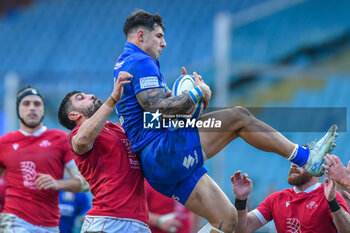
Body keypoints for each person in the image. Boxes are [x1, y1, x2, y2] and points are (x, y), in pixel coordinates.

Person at [113, 9, 338, 233]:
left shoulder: (127, 63)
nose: (164, 43)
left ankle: (307, 158)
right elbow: (157, 109)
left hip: (158, 162)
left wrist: (198, 100)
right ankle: (307, 158)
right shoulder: (141, 61)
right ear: (141, 36)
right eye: (159, 36)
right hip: (163, 151)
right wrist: (195, 93)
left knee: (226, 218)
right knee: (239, 117)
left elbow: (155, 118)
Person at [57, 72, 150, 233]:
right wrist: (113, 99)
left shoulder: (119, 129)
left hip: (139, 222)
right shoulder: (76, 135)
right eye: (81, 98)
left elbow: (154, 126)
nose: (91, 95)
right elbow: (84, 139)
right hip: (107, 221)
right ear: (74, 115)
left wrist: (177, 101)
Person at [0, 86, 89, 233]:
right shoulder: (4, 143)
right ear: (18, 110)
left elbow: (84, 182)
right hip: (14, 219)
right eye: (26, 104)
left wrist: (57, 183)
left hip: (50, 224)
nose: (32, 108)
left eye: (37, 104)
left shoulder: (60, 139)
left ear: (43, 109)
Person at [230, 165, 350, 233]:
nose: (294, 164)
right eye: (293, 160)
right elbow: (243, 229)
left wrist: (332, 202)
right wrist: (241, 199)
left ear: (317, 168)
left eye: (301, 161)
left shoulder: (330, 196)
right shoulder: (276, 199)